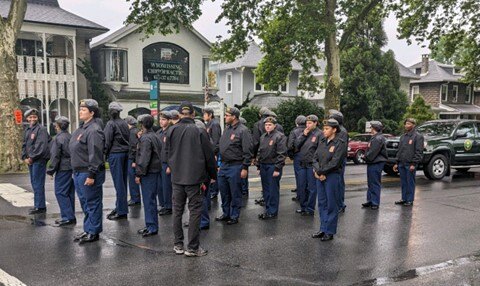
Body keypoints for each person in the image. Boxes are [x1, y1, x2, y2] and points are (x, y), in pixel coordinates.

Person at [166, 101, 217, 257]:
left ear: (180, 114)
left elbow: (166, 153)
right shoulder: (199, 131)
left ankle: (178, 244)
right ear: (194, 114)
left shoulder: (171, 130)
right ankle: (193, 247)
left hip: (177, 177)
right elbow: (209, 156)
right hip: (195, 177)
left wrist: (173, 166)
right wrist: (213, 175)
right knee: (195, 211)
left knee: (177, 210)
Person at [69, 99, 105, 244]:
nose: (80, 112)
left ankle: (94, 231)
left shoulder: (94, 130)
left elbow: (95, 154)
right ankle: (88, 228)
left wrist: (92, 174)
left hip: (87, 172)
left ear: (92, 112)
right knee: (84, 202)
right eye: (80, 109)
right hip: (78, 171)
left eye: (84, 110)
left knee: (92, 202)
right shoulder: (82, 129)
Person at [216, 106, 253, 225]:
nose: (225, 117)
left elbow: (247, 150)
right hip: (224, 165)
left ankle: (234, 215)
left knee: (235, 192)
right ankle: (226, 213)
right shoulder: (227, 129)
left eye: (227, 115)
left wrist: (245, 167)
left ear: (234, 117)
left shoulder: (243, 130)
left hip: (236, 165)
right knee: (224, 191)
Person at [312, 119, 347, 241]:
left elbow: (335, 162)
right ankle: (323, 228)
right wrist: (317, 171)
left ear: (334, 130)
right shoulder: (322, 141)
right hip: (320, 175)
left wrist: (321, 172)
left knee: (331, 204)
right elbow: (315, 158)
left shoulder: (340, 143)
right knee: (322, 203)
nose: (324, 131)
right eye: (324, 128)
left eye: (327, 129)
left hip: (331, 176)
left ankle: (330, 231)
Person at [135, 115, 162, 237]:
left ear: (142, 125)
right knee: (150, 200)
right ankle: (150, 224)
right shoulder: (154, 135)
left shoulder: (146, 138)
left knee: (148, 200)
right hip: (154, 171)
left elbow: (144, 158)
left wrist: (139, 173)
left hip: (148, 172)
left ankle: (151, 226)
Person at [46, 116, 76, 226]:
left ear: (57, 126)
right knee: (69, 192)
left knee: (60, 192)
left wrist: (50, 170)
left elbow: (55, 156)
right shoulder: (70, 136)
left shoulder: (58, 138)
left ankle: (68, 217)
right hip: (71, 166)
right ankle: (69, 215)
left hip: (63, 167)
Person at [256, 117, 287, 220]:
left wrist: (277, 168)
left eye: (270, 125)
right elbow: (260, 151)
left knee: (273, 190)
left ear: (274, 125)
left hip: (273, 166)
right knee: (266, 190)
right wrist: (258, 165)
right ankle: (268, 209)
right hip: (264, 165)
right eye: (266, 125)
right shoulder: (263, 136)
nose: (267, 127)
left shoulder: (279, 136)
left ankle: (272, 212)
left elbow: (281, 154)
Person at [104, 102, 131, 221]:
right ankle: (120, 206)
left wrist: (104, 155)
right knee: (123, 183)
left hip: (115, 154)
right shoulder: (124, 123)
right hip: (125, 153)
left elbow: (107, 141)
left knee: (119, 184)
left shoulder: (111, 124)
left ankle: (121, 211)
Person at [22, 108, 50, 215]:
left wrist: (31, 157)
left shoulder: (41, 129)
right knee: (34, 182)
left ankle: (40, 206)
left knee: (38, 183)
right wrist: (24, 157)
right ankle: (38, 204)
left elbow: (40, 146)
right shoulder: (27, 130)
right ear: (27, 118)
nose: (33, 118)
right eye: (30, 117)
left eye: (35, 117)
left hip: (38, 160)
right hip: (31, 160)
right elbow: (24, 145)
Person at [294, 115, 323, 216]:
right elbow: (296, 145)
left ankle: (310, 209)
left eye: (310, 123)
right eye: (307, 123)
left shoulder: (320, 134)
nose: (308, 125)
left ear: (315, 123)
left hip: (311, 165)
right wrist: (303, 135)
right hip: (302, 164)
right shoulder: (305, 132)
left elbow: (320, 151)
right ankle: (303, 207)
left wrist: (317, 166)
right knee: (302, 187)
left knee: (311, 188)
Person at [394, 118, 424, 207]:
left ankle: (410, 200)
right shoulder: (403, 136)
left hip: (410, 164)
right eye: (406, 124)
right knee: (403, 182)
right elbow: (400, 150)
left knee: (410, 182)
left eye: (408, 124)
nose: (406, 125)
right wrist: (397, 162)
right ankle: (404, 198)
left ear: (413, 125)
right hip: (402, 163)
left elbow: (419, 152)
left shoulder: (418, 137)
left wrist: (414, 164)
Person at [362, 121, 388, 210]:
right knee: (370, 183)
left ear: (374, 128)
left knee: (375, 183)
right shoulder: (375, 137)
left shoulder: (378, 138)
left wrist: (366, 157)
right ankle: (370, 200)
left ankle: (375, 202)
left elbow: (373, 152)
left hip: (376, 163)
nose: (370, 129)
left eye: (371, 127)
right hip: (372, 162)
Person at [328, 110, 349, 213]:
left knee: (339, 183)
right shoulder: (338, 130)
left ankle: (340, 204)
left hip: (339, 160)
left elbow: (340, 148)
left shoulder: (342, 131)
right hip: (335, 159)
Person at [203, 107, 222, 199]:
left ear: (210, 114)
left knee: (214, 171)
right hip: (209, 152)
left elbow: (215, 140)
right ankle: (212, 189)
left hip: (213, 152)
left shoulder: (214, 124)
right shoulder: (208, 124)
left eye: (205, 114)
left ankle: (214, 191)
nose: (203, 116)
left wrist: (214, 153)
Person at [157, 111, 173, 216]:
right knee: (160, 186)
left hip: (166, 163)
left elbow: (172, 150)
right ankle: (162, 204)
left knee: (167, 186)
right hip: (158, 163)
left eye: (163, 119)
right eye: (160, 119)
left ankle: (168, 206)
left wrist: (170, 165)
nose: (161, 121)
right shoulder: (159, 132)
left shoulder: (170, 132)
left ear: (168, 120)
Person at [287, 115, 306, 202]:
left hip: (298, 156)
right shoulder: (310, 131)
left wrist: (291, 155)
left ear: (297, 122)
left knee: (299, 177)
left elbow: (290, 145)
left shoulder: (294, 131)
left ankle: (300, 196)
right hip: (308, 156)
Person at [125, 115, 141, 206]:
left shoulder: (131, 133)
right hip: (134, 158)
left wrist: (134, 160)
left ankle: (135, 198)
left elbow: (133, 147)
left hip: (132, 158)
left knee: (132, 179)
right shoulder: (136, 131)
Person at [239, 117, 250, 196]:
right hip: (242, 156)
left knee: (243, 175)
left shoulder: (244, 131)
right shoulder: (247, 131)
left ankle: (244, 189)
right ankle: (244, 189)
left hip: (241, 157)